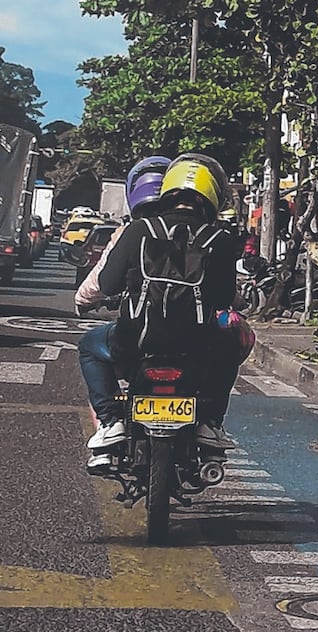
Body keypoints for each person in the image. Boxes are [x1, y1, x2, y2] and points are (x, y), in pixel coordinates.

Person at [80, 153, 245, 467]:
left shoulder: (138, 229)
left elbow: (109, 283)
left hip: (134, 342)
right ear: (213, 196)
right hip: (198, 347)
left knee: (89, 346)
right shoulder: (220, 240)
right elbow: (224, 299)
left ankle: (110, 421)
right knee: (229, 346)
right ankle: (210, 422)